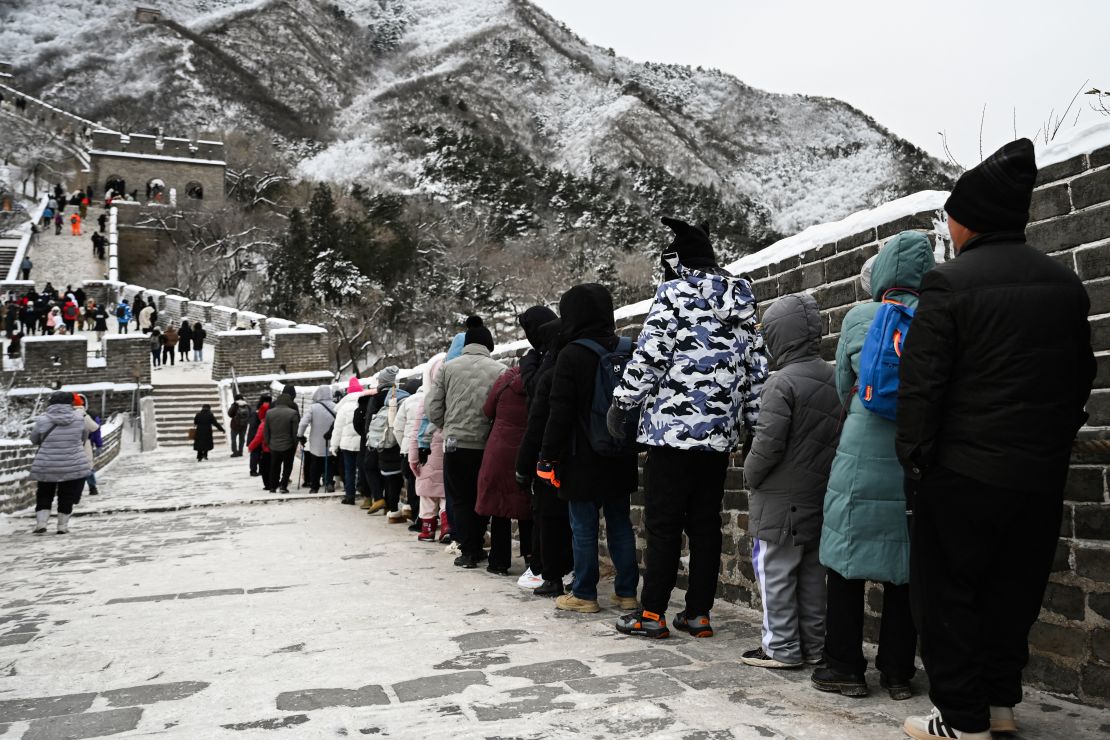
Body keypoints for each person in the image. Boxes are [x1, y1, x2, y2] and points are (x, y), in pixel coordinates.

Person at [896, 140, 1096, 740]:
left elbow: (923, 388)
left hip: (962, 471)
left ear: (969, 220)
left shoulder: (948, 285)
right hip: (1037, 474)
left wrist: (917, 461)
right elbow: (1079, 377)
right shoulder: (1065, 285)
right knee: (1012, 591)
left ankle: (961, 718)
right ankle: (1000, 705)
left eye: (951, 216)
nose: (948, 227)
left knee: (948, 596)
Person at [609, 218, 768, 638]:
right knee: (704, 525)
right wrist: (753, 424)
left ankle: (651, 615)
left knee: (662, 524)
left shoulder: (674, 294)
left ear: (676, 262)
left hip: (671, 432)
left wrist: (622, 402)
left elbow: (650, 356)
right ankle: (698, 614)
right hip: (718, 437)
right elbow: (757, 370)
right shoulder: (741, 300)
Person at [813, 231, 934, 700]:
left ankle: (842, 667)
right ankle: (899, 672)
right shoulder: (938, 318)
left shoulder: (861, 317)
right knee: (904, 566)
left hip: (861, 452)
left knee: (845, 562)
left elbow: (843, 386)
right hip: (915, 457)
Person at [738, 293, 840, 668]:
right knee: (813, 575)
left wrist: (750, 473)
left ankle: (780, 647)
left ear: (780, 336)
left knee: (775, 572)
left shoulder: (780, 383)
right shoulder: (833, 376)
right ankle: (814, 647)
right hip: (819, 494)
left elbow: (768, 443)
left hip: (781, 499)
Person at [540, 284, 640, 615]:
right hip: (620, 451)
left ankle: (584, 593)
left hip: (579, 455)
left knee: (583, 527)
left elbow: (560, 412)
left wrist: (547, 456)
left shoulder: (572, 354)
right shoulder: (629, 348)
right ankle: (627, 593)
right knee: (620, 523)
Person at [425, 316, 507, 568]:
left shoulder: (449, 368)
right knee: (481, 496)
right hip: (485, 445)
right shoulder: (500, 370)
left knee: (460, 498)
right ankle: (478, 543)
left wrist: (446, 425)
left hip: (455, 443)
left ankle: (468, 550)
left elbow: (432, 406)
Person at [513, 305, 559, 590]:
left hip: (547, 445)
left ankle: (545, 570)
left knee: (545, 511)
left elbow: (536, 391)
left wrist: (528, 363)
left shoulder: (547, 357)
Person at [476, 363, 532, 575]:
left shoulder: (505, 380)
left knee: (500, 505)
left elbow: (487, 410)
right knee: (526, 505)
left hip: (499, 449)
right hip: (526, 449)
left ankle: (499, 561)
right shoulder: (538, 380)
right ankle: (531, 560)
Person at [29, 391, 92, 535]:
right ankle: (62, 526)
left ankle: (41, 524)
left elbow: (34, 439)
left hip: (47, 463)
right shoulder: (79, 419)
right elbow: (83, 437)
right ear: (70, 403)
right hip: (72, 462)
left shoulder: (42, 420)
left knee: (44, 493)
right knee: (67, 494)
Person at [407, 354, 448, 541]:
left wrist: (413, 459)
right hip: (446, 454)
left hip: (427, 455)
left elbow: (416, 432)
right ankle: (447, 526)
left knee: (427, 495)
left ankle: (428, 529)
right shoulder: (452, 398)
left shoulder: (427, 401)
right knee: (445, 495)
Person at [330, 378, 366, 505]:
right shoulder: (365, 403)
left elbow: (337, 428)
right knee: (363, 469)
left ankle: (350, 496)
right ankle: (365, 494)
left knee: (349, 470)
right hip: (362, 443)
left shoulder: (344, 407)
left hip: (347, 445)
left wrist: (334, 445)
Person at [298, 385, 337, 493]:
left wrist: (300, 435)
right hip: (331, 440)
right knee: (329, 462)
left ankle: (314, 486)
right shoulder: (335, 406)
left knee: (315, 464)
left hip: (315, 443)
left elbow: (303, 423)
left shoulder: (313, 408)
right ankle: (329, 483)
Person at [264, 385, 300, 493]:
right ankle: (283, 486)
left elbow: (266, 430)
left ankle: (273, 486)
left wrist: (268, 442)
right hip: (288, 444)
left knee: (274, 466)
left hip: (273, 444)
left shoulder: (270, 411)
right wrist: (295, 443)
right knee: (287, 466)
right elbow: (295, 431)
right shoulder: (293, 410)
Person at [74, 394, 102, 496]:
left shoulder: (90, 415)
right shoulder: (88, 416)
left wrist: (98, 444)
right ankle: (91, 487)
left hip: (74, 444)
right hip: (86, 443)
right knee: (87, 467)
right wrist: (98, 445)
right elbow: (96, 430)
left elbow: (96, 432)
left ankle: (88, 487)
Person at [247, 400, 273, 491]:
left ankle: (268, 485)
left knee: (265, 468)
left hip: (267, 449)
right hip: (277, 447)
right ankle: (275, 483)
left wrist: (251, 447)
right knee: (274, 467)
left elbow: (258, 438)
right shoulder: (274, 420)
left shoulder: (264, 423)